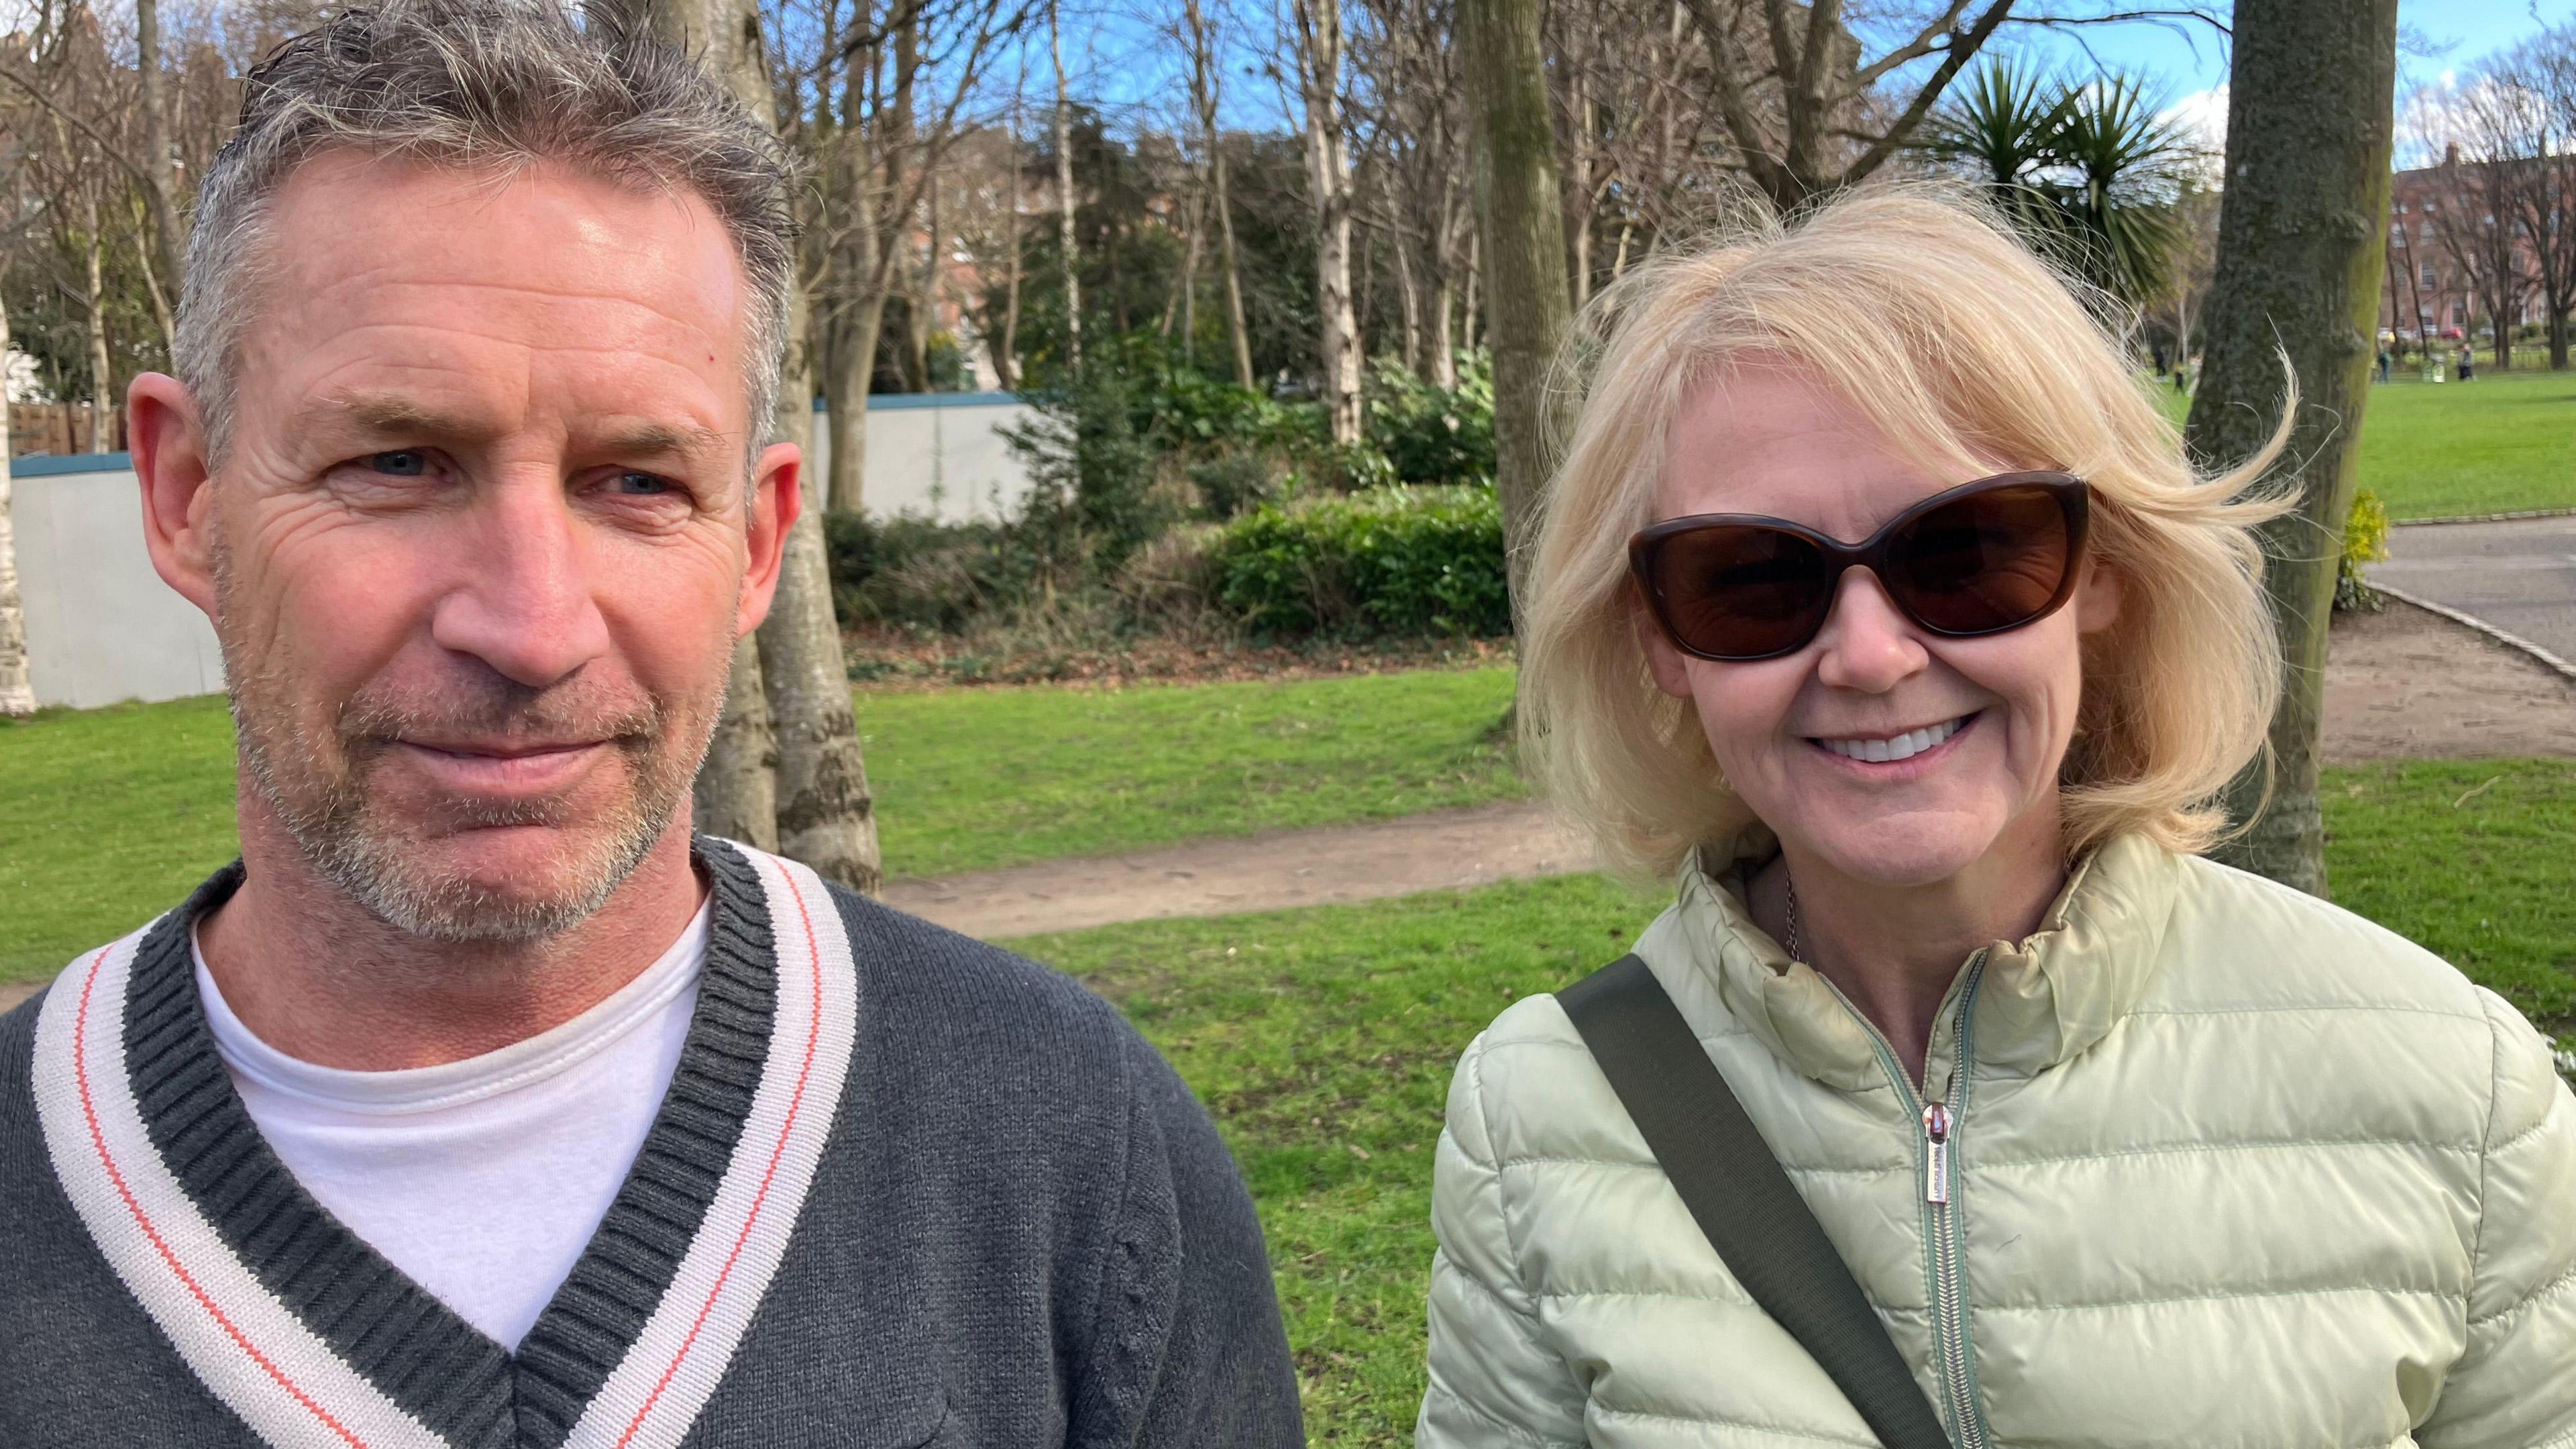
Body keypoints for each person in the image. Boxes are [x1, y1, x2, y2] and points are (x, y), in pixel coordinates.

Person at [0, 3, 1303, 1444]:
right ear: (187, 494)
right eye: (398, 460)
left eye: (636, 483)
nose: (532, 623)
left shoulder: (1068, 1149)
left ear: (755, 542)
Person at [1416, 191, 2576, 1446]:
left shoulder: (2455, 1088)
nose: (1867, 655)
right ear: (1660, 641)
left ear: (2103, 575)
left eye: (1967, 552)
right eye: (1753, 578)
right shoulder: (1540, 1117)